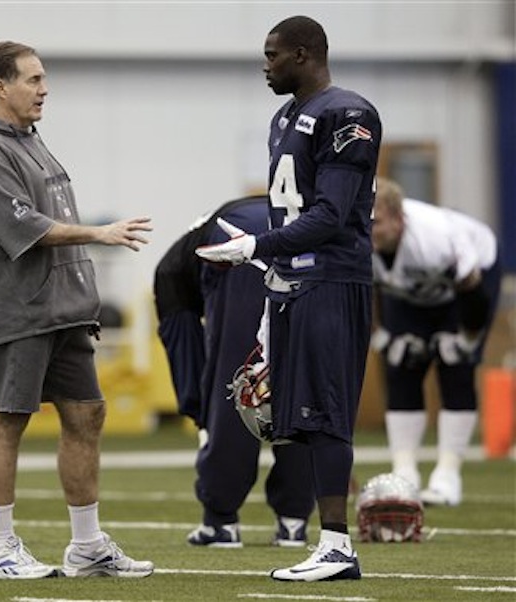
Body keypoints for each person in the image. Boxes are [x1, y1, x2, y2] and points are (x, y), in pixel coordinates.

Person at [0, 41, 154, 580]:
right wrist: (100, 232)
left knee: (87, 414)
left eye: (44, 80)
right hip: (20, 308)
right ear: (1, 86)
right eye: (34, 79)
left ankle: (87, 546)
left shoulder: (29, 138)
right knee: (7, 418)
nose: (44, 89)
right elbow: (21, 224)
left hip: (64, 307)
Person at [196, 15, 382, 582]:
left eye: (274, 54)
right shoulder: (284, 117)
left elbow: (330, 215)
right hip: (294, 282)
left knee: (326, 416)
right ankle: (328, 544)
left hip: (332, 279)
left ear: (303, 54)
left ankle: (337, 546)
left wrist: (258, 244)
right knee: (296, 418)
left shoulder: (348, 113)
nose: (266, 64)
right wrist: (272, 267)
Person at [154, 195, 315, 548]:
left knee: (236, 383)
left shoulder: (171, 277)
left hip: (238, 250)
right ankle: (293, 520)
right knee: (298, 385)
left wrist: (198, 410)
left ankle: (221, 522)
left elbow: (191, 361)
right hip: (303, 240)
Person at [370, 177, 502, 506]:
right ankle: (405, 474)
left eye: (377, 222)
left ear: (399, 219)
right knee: (401, 364)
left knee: (455, 367)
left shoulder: (437, 241)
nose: (369, 229)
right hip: (408, 293)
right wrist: (383, 340)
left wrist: (466, 341)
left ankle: (448, 476)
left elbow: (473, 291)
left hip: (465, 287)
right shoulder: (353, 237)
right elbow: (356, 295)